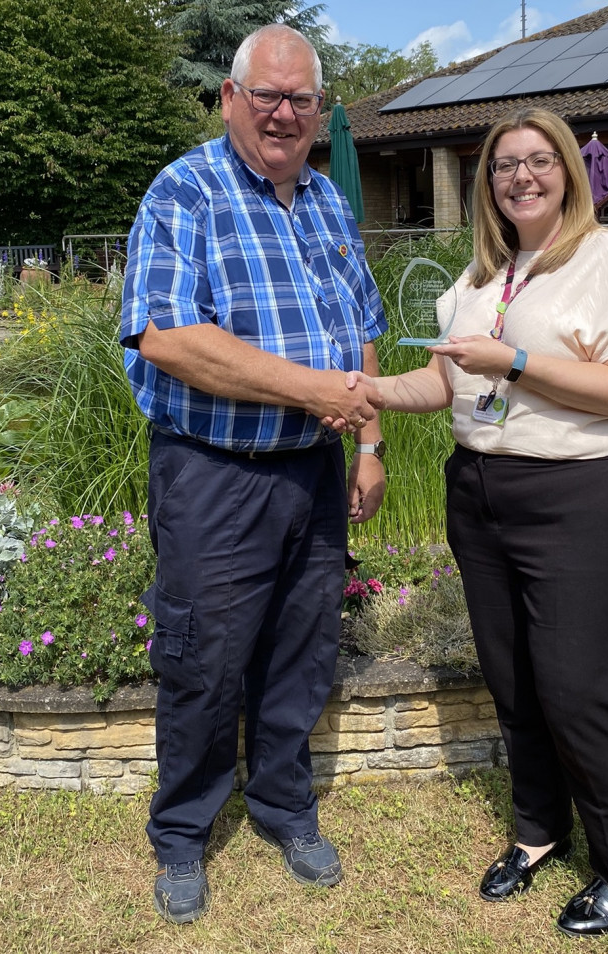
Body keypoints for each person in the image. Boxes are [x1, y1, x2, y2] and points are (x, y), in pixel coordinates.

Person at [356, 107, 608, 937]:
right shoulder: (477, 279)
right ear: (485, 183)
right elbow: (443, 385)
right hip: (484, 496)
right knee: (517, 680)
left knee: (580, 690)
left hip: (588, 497)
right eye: (503, 165)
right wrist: (366, 395)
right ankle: (538, 831)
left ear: (566, 169)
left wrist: (517, 362)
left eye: (537, 161)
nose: (521, 177)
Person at [120, 23, 388, 924]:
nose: (282, 113)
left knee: (302, 650)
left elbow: (362, 331)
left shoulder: (325, 200)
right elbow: (167, 336)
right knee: (202, 657)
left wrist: (370, 444)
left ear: (321, 110)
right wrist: (313, 390)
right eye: (265, 95)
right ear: (230, 98)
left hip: (311, 472)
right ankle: (184, 833)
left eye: (300, 100)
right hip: (212, 473)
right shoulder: (183, 191)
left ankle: (283, 806)